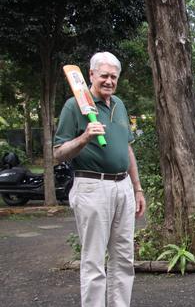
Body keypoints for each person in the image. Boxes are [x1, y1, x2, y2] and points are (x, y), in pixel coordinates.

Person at [54, 52, 146, 307]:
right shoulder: (74, 105)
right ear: (91, 75)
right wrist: (84, 137)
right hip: (92, 186)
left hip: (123, 187)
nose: (108, 81)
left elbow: (127, 149)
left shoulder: (119, 104)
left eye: (113, 77)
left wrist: (137, 188)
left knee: (124, 259)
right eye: (103, 75)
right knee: (94, 260)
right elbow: (57, 153)